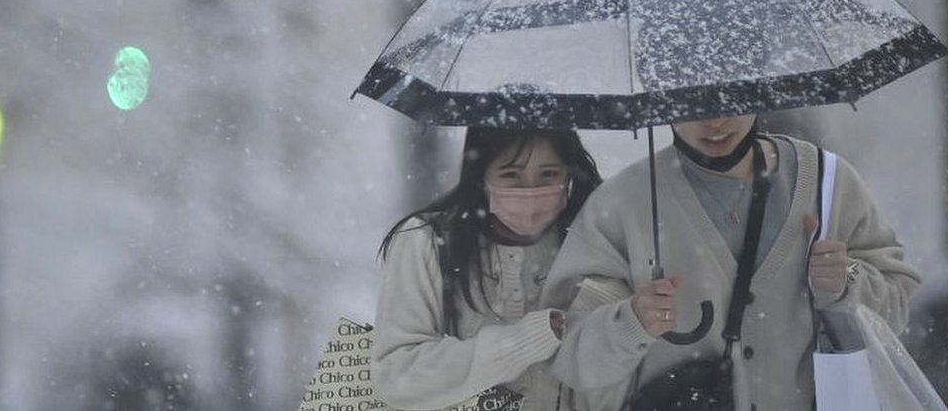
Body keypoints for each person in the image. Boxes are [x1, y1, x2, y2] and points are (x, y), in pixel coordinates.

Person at [541, 114, 922, 411]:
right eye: (695, 103)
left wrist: (847, 280)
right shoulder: (620, 206)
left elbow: (895, 306)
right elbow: (569, 357)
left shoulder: (827, 181)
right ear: (665, 101)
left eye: (731, 99)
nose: (716, 121)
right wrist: (631, 324)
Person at [372, 127, 602, 411]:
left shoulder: (594, 243)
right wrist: (523, 342)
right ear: (481, 175)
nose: (529, 192)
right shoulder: (426, 241)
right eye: (510, 175)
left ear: (568, 174)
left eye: (548, 175)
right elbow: (398, 375)